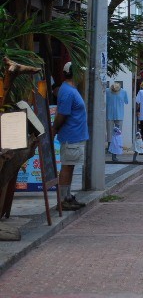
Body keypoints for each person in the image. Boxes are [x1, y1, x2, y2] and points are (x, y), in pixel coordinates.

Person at [52, 62, 89, 211]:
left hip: (75, 135)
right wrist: (54, 129)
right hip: (70, 136)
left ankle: (67, 196)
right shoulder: (68, 91)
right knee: (67, 166)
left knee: (70, 165)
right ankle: (62, 200)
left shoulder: (70, 89)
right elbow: (63, 114)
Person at [106, 81, 128, 160]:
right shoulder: (107, 91)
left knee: (118, 133)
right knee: (109, 132)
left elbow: (126, 101)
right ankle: (109, 147)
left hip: (119, 114)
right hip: (109, 114)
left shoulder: (123, 92)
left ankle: (117, 148)